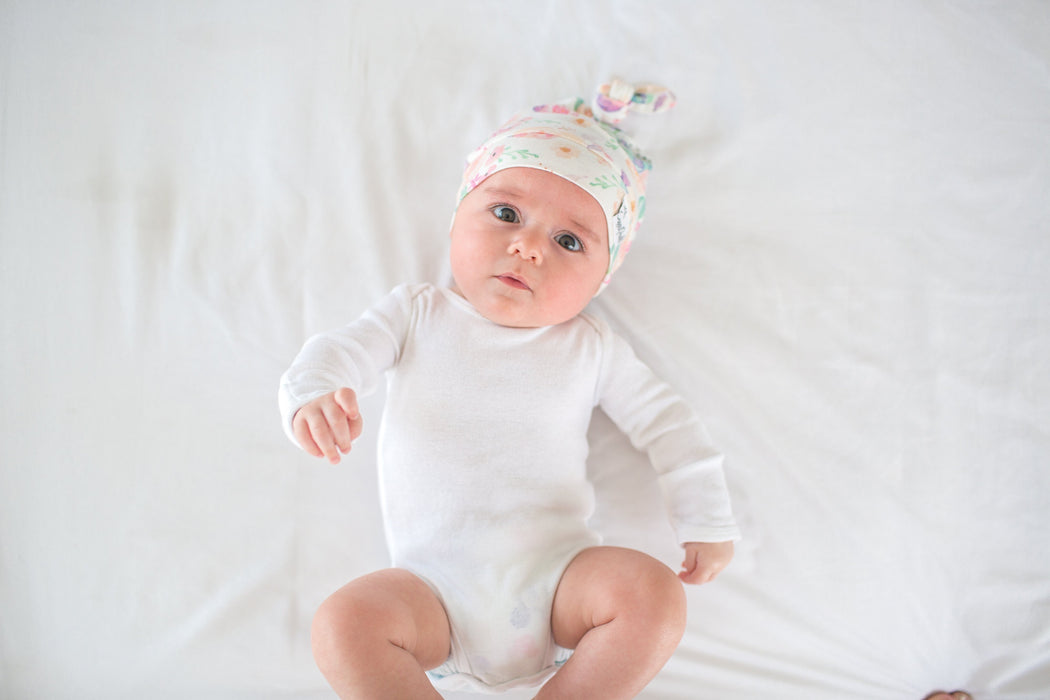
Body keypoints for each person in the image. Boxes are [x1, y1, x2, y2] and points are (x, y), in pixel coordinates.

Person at [278, 80, 741, 699]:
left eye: (569, 241)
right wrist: (315, 394)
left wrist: (705, 516)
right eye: (505, 214)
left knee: (652, 597)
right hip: (430, 594)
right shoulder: (416, 314)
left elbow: (668, 424)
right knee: (343, 625)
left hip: (559, 584)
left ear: (600, 280)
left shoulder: (590, 347)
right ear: (456, 219)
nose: (526, 247)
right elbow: (338, 350)